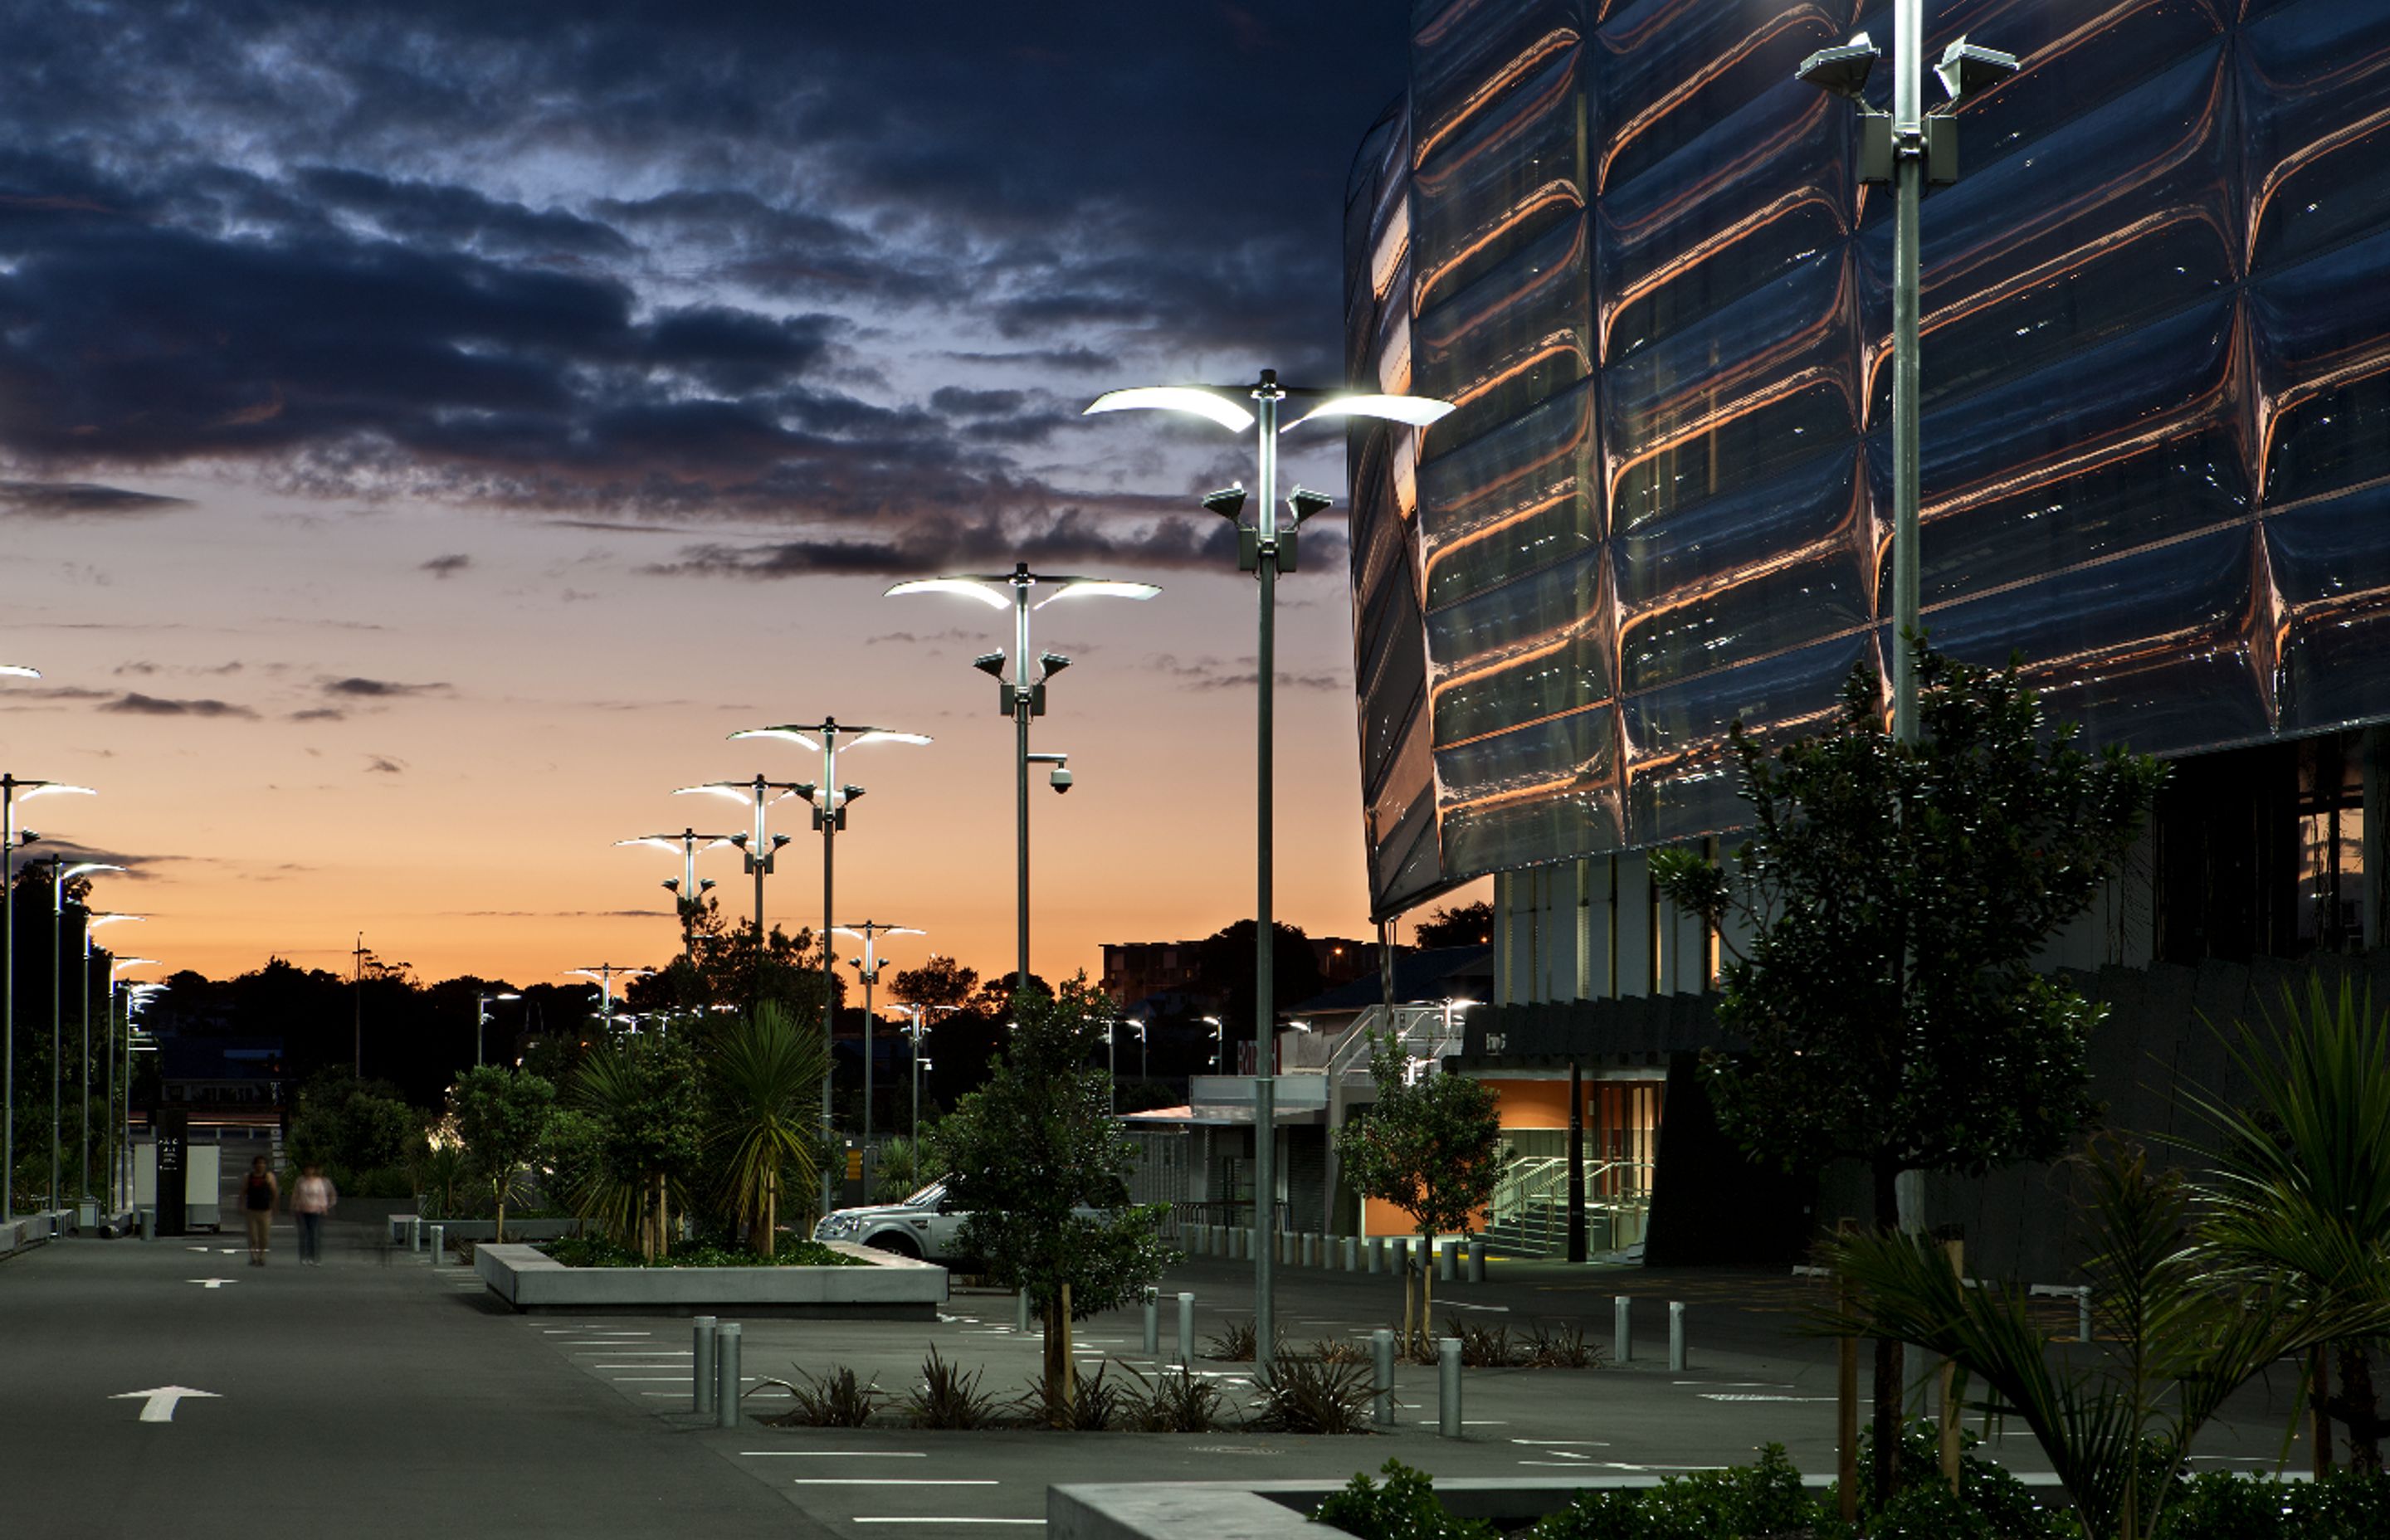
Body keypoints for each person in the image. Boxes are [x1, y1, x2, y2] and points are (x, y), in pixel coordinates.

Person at [291, 1163, 337, 1267]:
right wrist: (293, 1205)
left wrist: (325, 1207)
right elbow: (296, 1193)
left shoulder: (320, 1182)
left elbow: (322, 1195)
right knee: (303, 1234)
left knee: (313, 1234)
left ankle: (313, 1257)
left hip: (316, 1210)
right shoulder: (300, 1181)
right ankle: (304, 1257)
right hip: (302, 1209)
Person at [241, 1155, 279, 1266]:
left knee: (264, 1235)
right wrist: (242, 1205)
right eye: (258, 1163)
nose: (260, 1165)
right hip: (252, 1210)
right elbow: (243, 1192)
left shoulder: (269, 1177)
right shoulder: (248, 1177)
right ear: (254, 1165)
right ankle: (253, 1255)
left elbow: (274, 1192)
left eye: (263, 1163)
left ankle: (262, 1255)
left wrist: (275, 1206)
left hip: (265, 1210)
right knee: (253, 1235)